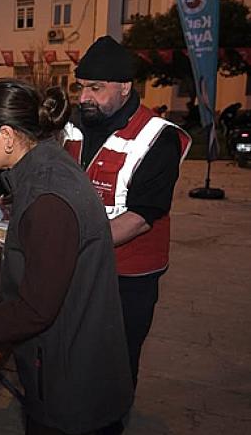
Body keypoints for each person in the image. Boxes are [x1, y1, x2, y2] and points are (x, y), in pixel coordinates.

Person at [0, 79, 133, 435]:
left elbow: (34, 311)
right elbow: (51, 264)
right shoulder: (44, 170)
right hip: (72, 360)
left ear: (7, 136)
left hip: (72, 382)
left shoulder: (48, 199)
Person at [65, 35, 191, 388]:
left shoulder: (158, 137)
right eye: (81, 88)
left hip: (129, 275)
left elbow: (139, 219)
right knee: (76, 348)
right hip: (81, 263)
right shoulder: (74, 126)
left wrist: (72, 243)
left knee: (117, 357)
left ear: (124, 87)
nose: (84, 97)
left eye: (95, 88)